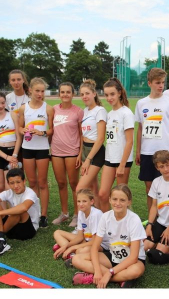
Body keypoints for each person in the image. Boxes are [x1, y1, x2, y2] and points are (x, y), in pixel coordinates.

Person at [71, 184, 146, 288]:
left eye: (122, 200)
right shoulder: (105, 217)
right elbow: (94, 248)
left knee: (136, 271)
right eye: (115, 199)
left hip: (132, 261)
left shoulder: (134, 219)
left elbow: (133, 258)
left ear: (129, 202)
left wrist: (109, 273)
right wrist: (97, 270)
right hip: (113, 256)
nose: (118, 203)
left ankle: (102, 277)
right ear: (110, 200)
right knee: (76, 259)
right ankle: (120, 279)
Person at [134, 68, 169, 211]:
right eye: (157, 83)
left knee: (167, 186)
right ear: (149, 83)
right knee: (149, 188)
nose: (161, 86)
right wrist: (138, 151)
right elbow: (140, 128)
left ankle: (167, 220)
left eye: (162, 82)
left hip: (164, 152)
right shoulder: (141, 103)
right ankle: (152, 220)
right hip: (146, 152)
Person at [0, 168, 41, 257]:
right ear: (8, 184)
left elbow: (24, 208)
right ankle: (1, 240)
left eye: (18, 182)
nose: (15, 186)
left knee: (19, 211)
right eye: (12, 183)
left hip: (28, 230)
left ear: (24, 181)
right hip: (11, 227)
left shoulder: (30, 193)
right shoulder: (8, 193)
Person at [18, 77, 54, 228]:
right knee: (32, 182)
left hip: (42, 149)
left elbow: (51, 130)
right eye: (37, 91)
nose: (40, 94)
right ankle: (35, 212)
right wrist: (24, 129)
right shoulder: (23, 108)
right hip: (27, 149)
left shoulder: (48, 108)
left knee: (42, 182)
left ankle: (43, 215)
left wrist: (43, 133)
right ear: (30, 90)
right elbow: (19, 128)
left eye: (42, 91)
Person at [98, 78, 134, 212]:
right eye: (106, 95)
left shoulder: (126, 113)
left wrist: (122, 165)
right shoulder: (110, 114)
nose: (109, 98)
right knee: (103, 194)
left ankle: (124, 224)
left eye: (112, 94)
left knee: (121, 197)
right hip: (109, 159)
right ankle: (107, 222)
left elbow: (130, 141)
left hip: (122, 161)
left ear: (119, 93)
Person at [51, 82, 83, 226]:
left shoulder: (78, 111)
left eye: (68, 92)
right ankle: (64, 213)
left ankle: (77, 214)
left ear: (73, 94)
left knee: (74, 184)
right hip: (56, 152)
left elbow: (82, 134)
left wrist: (80, 153)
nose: (65, 95)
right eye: (62, 92)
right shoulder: (53, 109)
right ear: (59, 94)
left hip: (72, 152)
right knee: (61, 183)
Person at [75, 79, 107, 216]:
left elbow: (100, 138)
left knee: (80, 188)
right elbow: (83, 136)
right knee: (93, 188)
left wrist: (88, 159)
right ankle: (99, 219)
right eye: (82, 94)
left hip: (96, 152)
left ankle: (81, 221)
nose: (84, 97)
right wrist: (80, 154)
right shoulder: (85, 111)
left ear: (94, 93)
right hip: (86, 151)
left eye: (87, 93)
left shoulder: (100, 111)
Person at [53, 189, 106, 268]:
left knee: (83, 250)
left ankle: (71, 253)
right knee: (57, 233)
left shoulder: (96, 214)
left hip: (100, 244)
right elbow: (80, 237)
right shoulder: (81, 212)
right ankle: (68, 252)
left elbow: (95, 241)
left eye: (84, 201)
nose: (81, 204)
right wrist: (67, 246)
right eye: (78, 201)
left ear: (92, 202)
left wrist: (73, 247)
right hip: (86, 240)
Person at [144, 150, 169, 265]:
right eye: (162, 167)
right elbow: (154, 206)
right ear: (157, 168)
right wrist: (149, 224)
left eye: (167, 165)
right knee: (145, 246)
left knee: (159, 253)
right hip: (160, 222)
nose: (166, 169)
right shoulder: (156, 182)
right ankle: (156, 243)